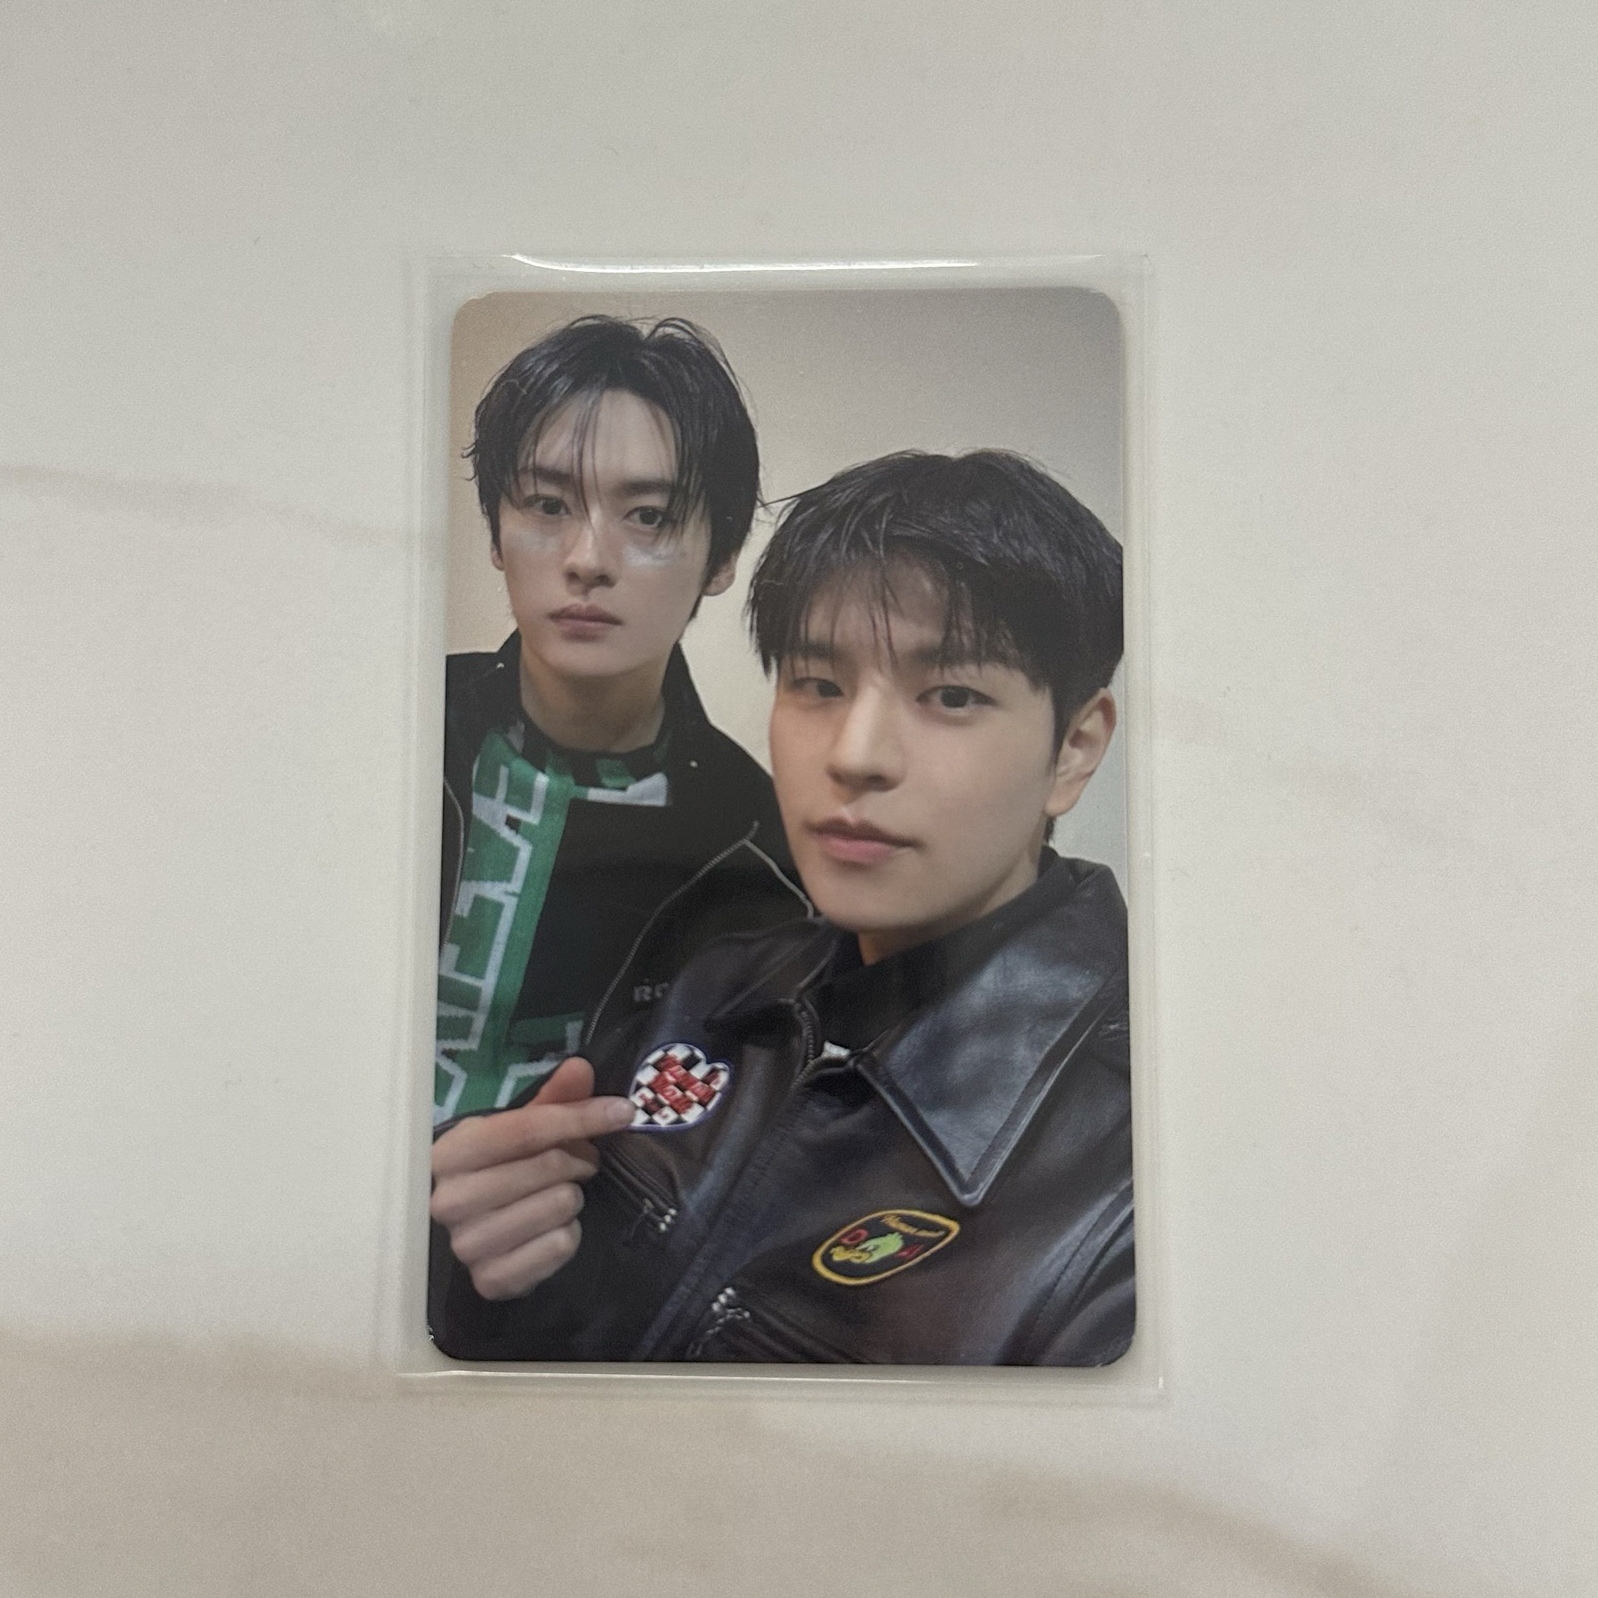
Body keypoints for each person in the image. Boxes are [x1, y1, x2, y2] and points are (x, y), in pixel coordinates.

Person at [430, 449, 1133, 1365]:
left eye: (951, 695)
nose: (855, 755)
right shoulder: (716, 989)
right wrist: (476, 1283)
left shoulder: (1141, 1176)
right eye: (818, 685)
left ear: (1074, 749)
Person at [429, 315, 808, 1356]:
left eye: (648, 516)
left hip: (546, 1335)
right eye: (546, 505)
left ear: (720, 556)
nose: (587, 559)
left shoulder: (766, 858)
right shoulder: (378, 729)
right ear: (494, 530)